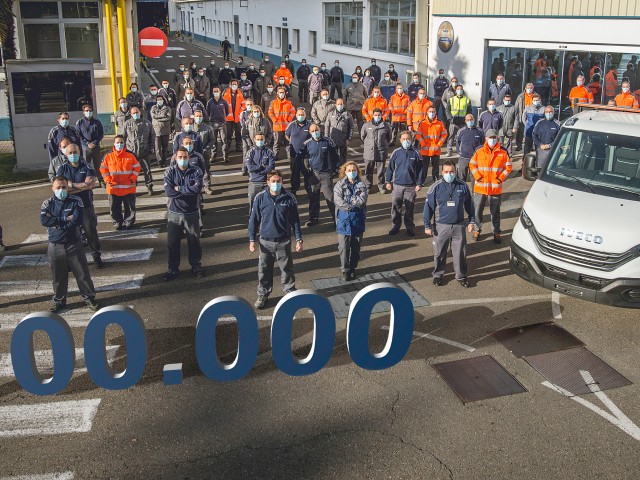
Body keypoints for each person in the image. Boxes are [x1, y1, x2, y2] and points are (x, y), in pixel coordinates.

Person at [41, 176, 100, 313]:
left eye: (63, 187)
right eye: (58, 187)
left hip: (74, 243)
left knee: (82, 274)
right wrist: (64, 218)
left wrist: (56, 221)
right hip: (55, 246)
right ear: (52, 189)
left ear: (68, 188)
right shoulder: (47, 203)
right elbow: (44, 220)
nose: (61, 190)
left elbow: (77, 220)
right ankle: (59, 301)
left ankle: (89, 298)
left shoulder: (76, 201)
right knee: (58, 276)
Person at [248, 169, 303, 309]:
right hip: (265, 242)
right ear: (267, 182)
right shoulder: (260, 198)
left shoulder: (289, 198)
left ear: (282, 182)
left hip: (283, 241)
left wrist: (298, 239)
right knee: (264, 270)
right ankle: (263, 294)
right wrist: (252, 240)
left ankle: (290, 292)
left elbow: (295, 221)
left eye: (278, 181)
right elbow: (253, 220)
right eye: (273, 181)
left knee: (287, 269)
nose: (276, 184)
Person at [423, 161, 476, 288]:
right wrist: (427, 225)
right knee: (439, 253)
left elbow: (469, 205)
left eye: (451, 172)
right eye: (446, 172)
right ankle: (438, 275)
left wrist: (472, 220)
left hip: (459, 226)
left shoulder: (463, 186)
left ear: (455, 171)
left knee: (460, 254)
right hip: (441, 226)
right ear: (442, 172)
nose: (449, 174)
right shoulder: (435, 187)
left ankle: (461, 276)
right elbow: (428, 207)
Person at [56, 143, 103, 269]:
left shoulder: (87, 166)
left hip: (85, 205)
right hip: (69, 207)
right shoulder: (62, 169)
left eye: (75, 152)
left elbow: (91, 184)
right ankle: (71, 261)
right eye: (70, 153)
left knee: (90, 232)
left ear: (79, 153)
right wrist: (82, 186)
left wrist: (72, 186)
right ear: (65, 154)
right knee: (70, 234)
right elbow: (62, 188)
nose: (73, 155)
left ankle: (96, 255)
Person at [163, 147, 204, 281]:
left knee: (194, 241)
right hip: (174, 213)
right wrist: (187, 190)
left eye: (185, 157)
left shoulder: (196, 171)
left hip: (191, 212)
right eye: (180, 157)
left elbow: (197, 189)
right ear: (175, 158)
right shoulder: (169, 171)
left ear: (188, 158)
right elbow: (169, 192)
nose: (182, 160)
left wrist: (179, 189)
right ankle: (173, 269)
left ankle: (196, 266)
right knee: (173, 243)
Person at [469, 130, 512, 244]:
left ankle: (496, 231)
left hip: (494, 188)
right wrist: (477, 177)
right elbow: (472, 164)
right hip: (480, 187)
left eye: (494, 137)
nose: (492, 139)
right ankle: (476, 229)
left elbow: (508, 167)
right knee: (478, 210)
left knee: (495, 212)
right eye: (490, 137)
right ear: (486, 138)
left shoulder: (503, 152)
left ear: (497, 138)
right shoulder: (479, 151)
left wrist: (500, 178)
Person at [297, 123, 340, 226]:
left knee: (330, 198)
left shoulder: (328, 141)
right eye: (312, 131)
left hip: (326, 174)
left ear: (319, 130)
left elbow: (335, 157)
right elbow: (299, 158)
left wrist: (335, 170)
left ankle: (336, 219)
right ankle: (313, 218)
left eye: (316, 130)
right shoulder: (307, 144)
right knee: (313, 197)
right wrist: (304, 170)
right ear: (310, 132)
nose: (315, 132)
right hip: (313, 174)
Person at [385, 131, 425, 236]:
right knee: (395, 207)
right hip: (397, 185)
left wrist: (419, 183)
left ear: (411, 140)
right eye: (403, 139)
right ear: (400, 140)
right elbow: (390, 168)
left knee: (410, 208)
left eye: (408, 139)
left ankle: (410, 227)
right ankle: (395, 226)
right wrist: (388, 181)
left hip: (411, 187)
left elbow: (421, 170)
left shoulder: (416, 153)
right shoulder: (396, 152)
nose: (406, 141)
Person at [334, 161, 368, 280]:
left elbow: (362, 200)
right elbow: (338, 201)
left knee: (356, 247)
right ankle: (345, 269)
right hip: (343, 220)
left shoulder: (362, 185)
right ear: (345, 172)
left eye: (354, 170)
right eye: (349, 170)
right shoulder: (339, 185)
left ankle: (353, 268)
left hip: (357, 220)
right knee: (343, 247)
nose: (352, 172)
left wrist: (350, 202)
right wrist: (350, 206)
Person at [100, 136, 140, 230]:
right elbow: (103, 169)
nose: (119, 144)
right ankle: (117, 222)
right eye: (117, 142)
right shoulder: (108, 156)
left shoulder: (130, 155)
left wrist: (132, 178)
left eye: (121, 142)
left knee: (129, 207)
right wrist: (107, 180)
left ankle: (129, 221)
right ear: (114, 144)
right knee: (114, 207)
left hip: (128, 187)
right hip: (113, 187)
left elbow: (137, 167)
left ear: (124, 143)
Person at [123, 107, 155, 196]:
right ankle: (133, 188)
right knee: (132, 172)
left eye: (137, 112)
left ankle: (149, 186)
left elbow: (152, 136)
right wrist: (124, 150)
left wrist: (151, 148)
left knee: (147, 170)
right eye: (133, 113)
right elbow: (124, 137)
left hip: (144, 151)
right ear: (131, 114)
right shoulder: (127, 124)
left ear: (140, 112)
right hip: (131, 152)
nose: (135, 114)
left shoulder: (147, 123)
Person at [361, 108, 392, 194]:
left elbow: (389, 137)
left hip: (381, 151)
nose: (377, 117)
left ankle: (381, 186)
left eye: (378, 115)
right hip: (369, 152)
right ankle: (368, 186)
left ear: (381, 115)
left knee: (380, 171)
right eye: (375, 115)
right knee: (368, 171)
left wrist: (383, 145)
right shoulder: (366, 125)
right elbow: (362, 137)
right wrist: (369, 144)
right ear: (372, 115)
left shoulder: (386, 125)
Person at [415, 106, 448, 183]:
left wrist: (439, 144)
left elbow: (444, 135)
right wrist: (423, 143)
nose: (431, 113)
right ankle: (421, 181)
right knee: (424, 167)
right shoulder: (422, 123)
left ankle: (435, 180)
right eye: (430, 111)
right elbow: (418, 134)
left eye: (433, 112)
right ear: (427, 112)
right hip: (425, 149)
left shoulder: (440, 123)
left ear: (436, 113)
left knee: (435, 167)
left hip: (436, 149)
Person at [245, 132, 276, 210]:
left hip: (267, 183)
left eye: (261, 139)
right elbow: (250, 168)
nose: (260, 141)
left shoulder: (269, 151)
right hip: (254, 182)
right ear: (254, 140)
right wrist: (262, 167)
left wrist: (259, 171)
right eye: (258, 139)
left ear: (264, 139)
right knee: (253, 206)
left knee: (269, 206)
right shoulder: (250, 152)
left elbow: (271, 167)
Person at [76, 104, 104, 186]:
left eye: (90, 111)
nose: (88, 112)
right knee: (86, 165)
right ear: (83, 112)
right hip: (85, 147)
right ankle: (87, 181)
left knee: (98, 164)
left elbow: (101, 134)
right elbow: (79, 135)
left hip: (96, 146)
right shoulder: (80, 122)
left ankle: (101, 180)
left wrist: (95, 143)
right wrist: (87, 143)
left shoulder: (97, 122)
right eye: (87, 111)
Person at [285, 107, 311, 193]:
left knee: (307, 173)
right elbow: (287, 135)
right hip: (294, 154)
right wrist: (291, 141)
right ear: (296, 115)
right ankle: (294, 188)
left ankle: (308, 189)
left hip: (306, 155)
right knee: (295, 173)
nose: (301, 116)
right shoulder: (292, 125)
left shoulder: (309, 125)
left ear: (305, 115)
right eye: (299, 114)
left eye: (302, 114)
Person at [268, 86, 296, 160]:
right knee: (276, 143)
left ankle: (289, 156)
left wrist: (289, 119)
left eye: (282, 92)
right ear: (277, 93)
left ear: (285, 93)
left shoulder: (289, 103)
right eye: (280, 92)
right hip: (277, 127)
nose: (281, 94)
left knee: (288, 143)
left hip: (287, 127)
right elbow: (270, 112)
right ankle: (275, 156)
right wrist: (274, 120)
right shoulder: (273, 103)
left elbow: (293, 111)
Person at [456, 114, 485, 184]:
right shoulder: (461, 131)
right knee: (461, 179)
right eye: (468, 120)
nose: (470, 121)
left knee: (474, 179)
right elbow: (458, 143)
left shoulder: (480, 131)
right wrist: (460, 153)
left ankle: (474, 194)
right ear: (465, 121)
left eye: (471, 120)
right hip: (463, 159)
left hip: (475, 159)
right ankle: (462, 194)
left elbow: (483, 144)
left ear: (474, 120)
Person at [445, 84, 472, 157]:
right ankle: (449, 151)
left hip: (463, 122)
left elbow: (469, 111)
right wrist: (450, 118)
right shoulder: (451, 99)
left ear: (463, 90)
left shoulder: (467, 100)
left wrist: (467, 120)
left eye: (461, 89)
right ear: (456, 91)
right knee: (451, 137)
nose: (459, 90)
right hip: (453, 122)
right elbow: (447, 110)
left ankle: (461, 151)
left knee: (462, 138)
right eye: (458, 89)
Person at [325, 99, 354, 164]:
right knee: (332, 156)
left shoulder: (348, 115)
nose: (340, 106)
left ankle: (342, 170)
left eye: (341, 104)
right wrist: (327, 138)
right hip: (332, 139)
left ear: (343, 105)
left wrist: (349, 138)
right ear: (335, 105)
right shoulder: (330, 114)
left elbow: (351, 127)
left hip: (343, 139)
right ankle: (333, 169)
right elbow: (327, 126)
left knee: (343, 156)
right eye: (338, 104)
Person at [193, 110, 214, 195]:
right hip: (193, 154)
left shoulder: (207, 128)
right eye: (197, 116)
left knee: (206, 170)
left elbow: (212, 140)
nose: (198, 118)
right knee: (194, 171)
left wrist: (206, 148)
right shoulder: (190, 127)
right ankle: (196, 187)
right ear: (194, 117)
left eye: (200, 116)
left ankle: (207, 186)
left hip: (205, 153)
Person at [532, 106, 560, 170]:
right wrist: (540, 144)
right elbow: (534, 136)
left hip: (552, 151)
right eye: (547, 112)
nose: (548, 113)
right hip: (540, 151)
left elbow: (559, 139)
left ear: (553, 112)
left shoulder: (557, 124)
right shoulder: (539, 123)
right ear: (544, 113)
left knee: (550, 169)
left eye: (550, 112)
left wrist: (550, 145)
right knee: (540, 170)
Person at [223, 79, 246, 153]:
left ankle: (238, 146)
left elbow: (243, 103)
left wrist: (240, 112)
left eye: (235, 84)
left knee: (238, 132)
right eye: (233, 84)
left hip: (237, 116)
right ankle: (228, 147)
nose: (234, 85)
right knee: (228, 133)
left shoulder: (240, 92)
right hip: (228, 117)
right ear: (230, 85)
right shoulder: (225, 92)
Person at [150, 95, 172, 168]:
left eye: (161, 99)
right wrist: (163, 116)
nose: (159, 100)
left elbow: (168, 118)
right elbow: (153, 116)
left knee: (165, 147)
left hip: (165, 130)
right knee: (157, 147)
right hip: (156, 131)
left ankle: (164, 160)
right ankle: (159, 161)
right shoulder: (153, 108)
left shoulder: (167, 108)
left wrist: (158, 119)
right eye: (158, 99)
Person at [514, 83, 536, 151]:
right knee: (520, 131)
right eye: (528, 88)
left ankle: (531, 146)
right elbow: (516, 106)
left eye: (530, 88)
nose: (529, 89)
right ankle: (519, 145)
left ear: (533, 88)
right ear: (525, 88)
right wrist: (516, 114)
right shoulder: (521, 96)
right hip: (522, 114)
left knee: (531, 131)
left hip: (531, 115)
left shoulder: (536, 96)